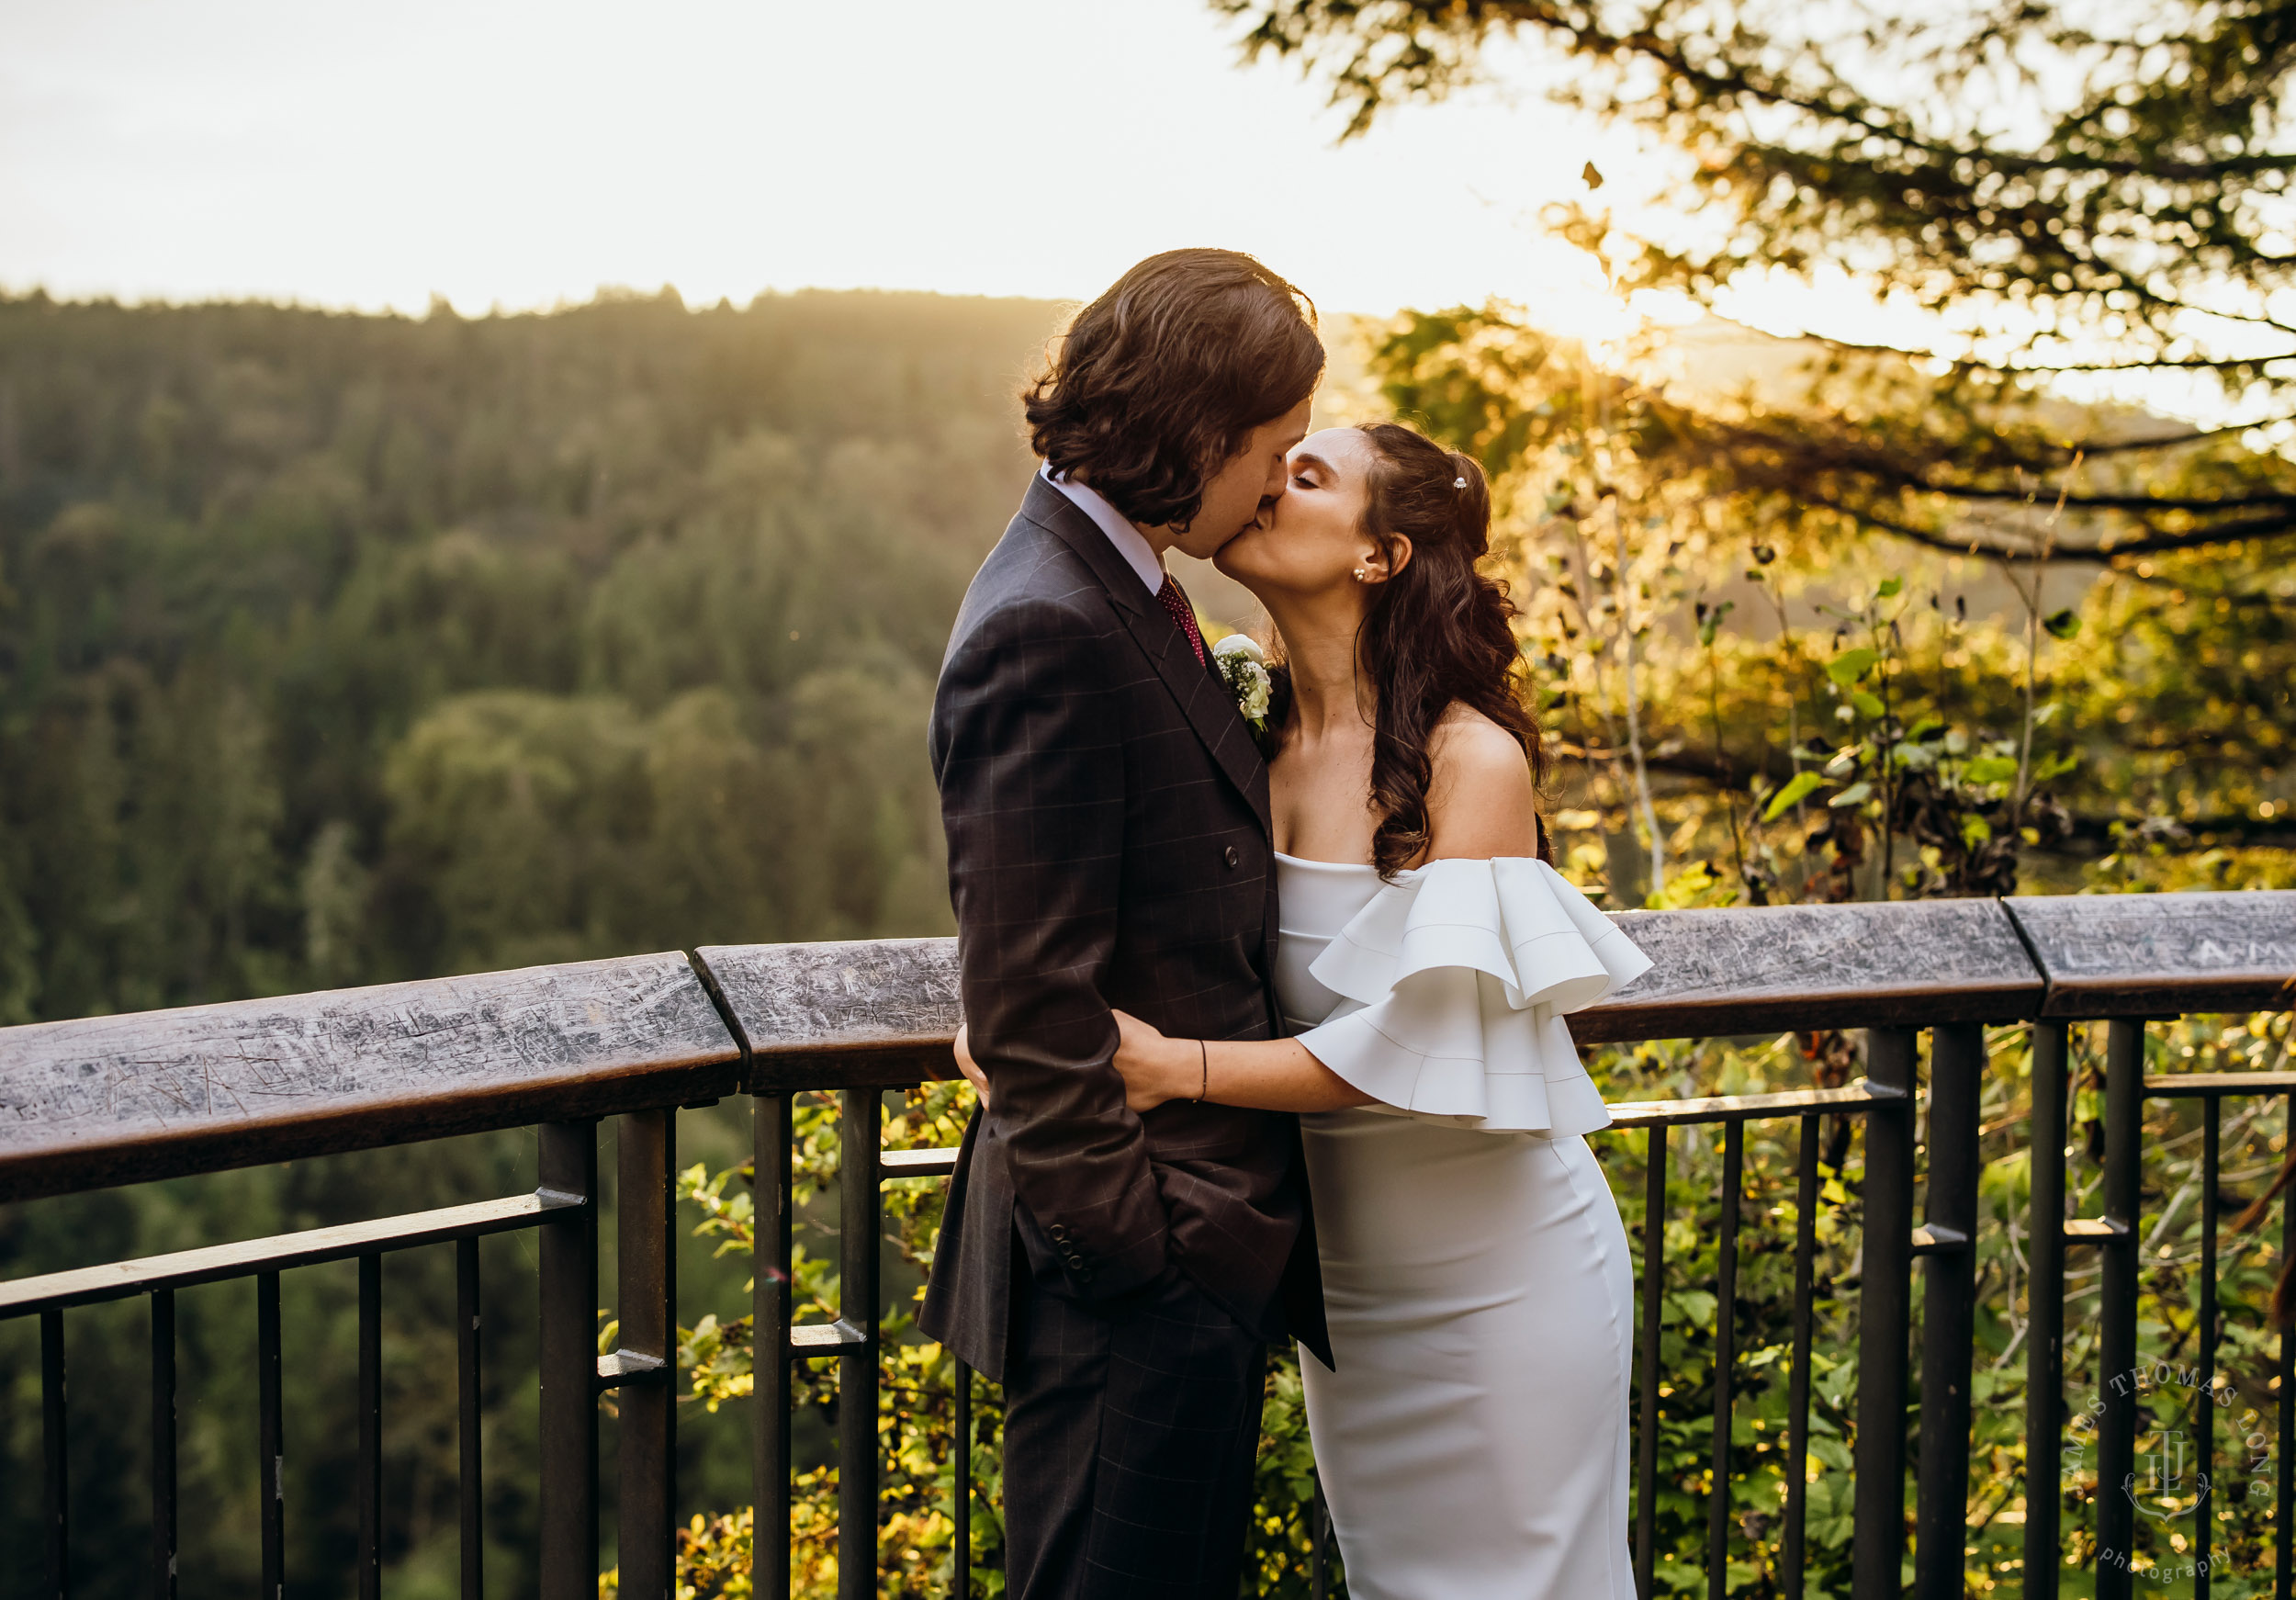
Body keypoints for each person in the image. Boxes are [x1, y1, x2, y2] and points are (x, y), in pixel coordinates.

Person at [967, 422, 1652, 1597]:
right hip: (1346, 1284)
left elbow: (1409, 1045)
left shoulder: (1468, 763)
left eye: (1307, 471)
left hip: (1494, 1272)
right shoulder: (1242, 728)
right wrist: (1010, 1015)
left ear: (1378, 555)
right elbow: (1107, 899)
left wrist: (1169, 1066)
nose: (1265, 480)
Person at [919, 248, 1331, 1600]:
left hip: (1193, 1268)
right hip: (1130, 1288)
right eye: (1272, 450)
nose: (1278, 482)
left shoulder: (1127, 593)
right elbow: (1033, 1009)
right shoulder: (1045, 626)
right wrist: (1143, 1267)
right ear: (1199, 433)